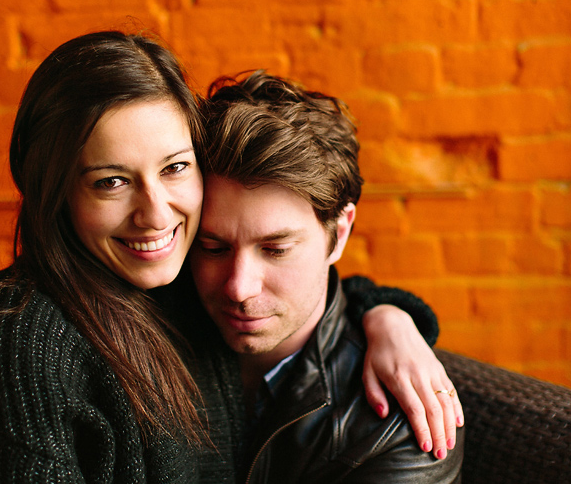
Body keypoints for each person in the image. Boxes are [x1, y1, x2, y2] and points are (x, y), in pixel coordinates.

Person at [0, 31, 458, 483]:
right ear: (56, 191)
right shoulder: (23, 333)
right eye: (111, 181)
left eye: (175, 168)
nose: (156, 215)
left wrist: (389, 317)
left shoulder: (167, 287)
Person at [185, 71, 464, 483]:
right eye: (213, 248)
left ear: (341, 231)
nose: (239, 288)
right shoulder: (152, 327)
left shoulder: (397, 429)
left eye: (276, 249)